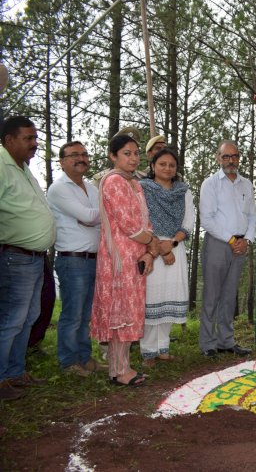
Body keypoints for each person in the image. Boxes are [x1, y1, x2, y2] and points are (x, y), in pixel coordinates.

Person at [91, 134, 160, 387]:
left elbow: (145, 220)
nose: (133, 158)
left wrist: (149, 251)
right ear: (113, 156)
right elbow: (129, 225)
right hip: (118, 257)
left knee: (128, 312)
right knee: (120, 313)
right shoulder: (114, 182)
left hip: (136, 254)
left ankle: (122, 367)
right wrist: (151, 242)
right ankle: (119, 371)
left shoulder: (135, 183)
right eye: (126, 153)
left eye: (135, 153)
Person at [0, 116, 55, 400]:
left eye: (35, 138)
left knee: (29, 316)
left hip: (34, 257)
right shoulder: (1, 164)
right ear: (9, 140)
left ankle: (15, 372)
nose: (34, 144)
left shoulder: (23, 168)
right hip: (14, 256)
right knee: (12, 318)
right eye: (28, 138)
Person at [47, 141, 106, 377]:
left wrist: (93, 217)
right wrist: (96, 216)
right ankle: (69, 362)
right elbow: (90, 217)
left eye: (84, 154)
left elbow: (92, 218)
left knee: (86, 314)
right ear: (62, 161)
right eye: (74, 155)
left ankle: (84, 358)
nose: (81, 158)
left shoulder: (92, 188)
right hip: (72, 260)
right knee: (72, 314)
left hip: (94, 258)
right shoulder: (58, 188)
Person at [199, 140, 256, 357]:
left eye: (235, 156)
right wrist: (232, 241)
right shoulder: (210, 184)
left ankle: (226, 341)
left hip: (240, 246)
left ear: (239, 158)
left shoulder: (246, 184)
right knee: (212, 295)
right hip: (219, 244)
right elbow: (207, 219)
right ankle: (208, 344)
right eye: (226, 156)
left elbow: (252, 216)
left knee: (229, 296)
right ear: (218, 158)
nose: (231, 160)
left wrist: (247, 240)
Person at [140, 148, 194, 367]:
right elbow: (141, 218)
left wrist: (171, 244)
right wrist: (158, 246)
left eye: (172, 165)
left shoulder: (184, 191)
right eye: (162, 164)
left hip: (175, 247)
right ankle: (147, 351)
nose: (167, 168)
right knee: (152, 297)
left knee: (168, 297)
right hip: (150, 247)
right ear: (153, 166)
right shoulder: (143, 189)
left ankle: (163, 348)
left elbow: (189, 221)